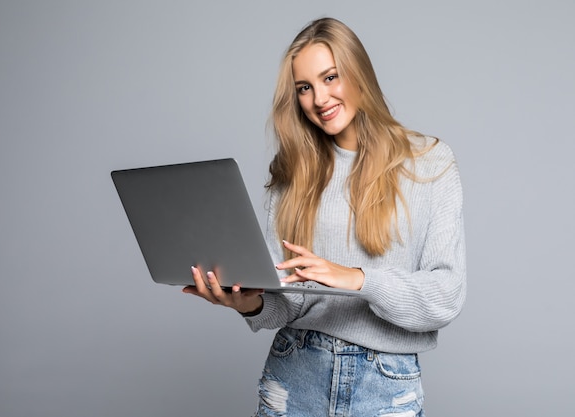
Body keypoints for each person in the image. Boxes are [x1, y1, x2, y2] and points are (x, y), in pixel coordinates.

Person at [183, 17, 466, 417]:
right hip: (295, 373)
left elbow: (446, 294)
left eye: (330, 77)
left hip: (385, 386)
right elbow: (288, 299)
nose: (319, 98)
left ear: (358, 71)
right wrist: (250, 304)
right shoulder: (293, 172)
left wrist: (357, 279)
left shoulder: (430, 163)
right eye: (305, 88)